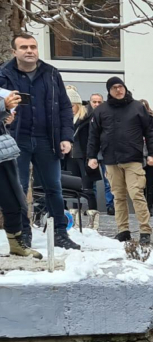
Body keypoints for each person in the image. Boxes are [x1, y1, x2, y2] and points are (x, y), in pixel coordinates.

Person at [0, 33, 80, 249]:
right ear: (14, 51)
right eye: (24, 47)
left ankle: (60, 234)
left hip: (48, 140)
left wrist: (66, 137)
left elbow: (65, 107)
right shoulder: (3, 74)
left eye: (33, 47)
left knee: (54, 188)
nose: (29, 51)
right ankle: (23, 235)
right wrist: (4, 115)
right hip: (16, 140)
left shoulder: (51, 73)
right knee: (18, 189)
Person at [87, 77, 153, 245]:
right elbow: (93, 135)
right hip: (111, 159)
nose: (118, 90)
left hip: (132, 158)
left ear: (125, 88)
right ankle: (123, 230)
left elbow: (150, 131)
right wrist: (91, 156)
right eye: (114, 88)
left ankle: (145, 230)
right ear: (109, 91)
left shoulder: (137, 107)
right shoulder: (101, 110)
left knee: (136, 194)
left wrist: (152, 154)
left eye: (120, 86)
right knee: (118, 196)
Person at [1, 88, 42, 258]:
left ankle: (17, 245)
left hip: (3, 152)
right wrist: (3, 106)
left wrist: (5, 115)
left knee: (13, 199)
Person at [65, 86, 100, 213]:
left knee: (87, 188)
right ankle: (75, 213)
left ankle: (93, 213)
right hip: (70, 157)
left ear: (78, 105)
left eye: (72, 105)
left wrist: (92, 156)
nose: (70, 108)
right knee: (73, 188)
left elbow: (93, 138)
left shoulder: (87, 118)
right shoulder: (67, 119)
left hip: (84, 156)